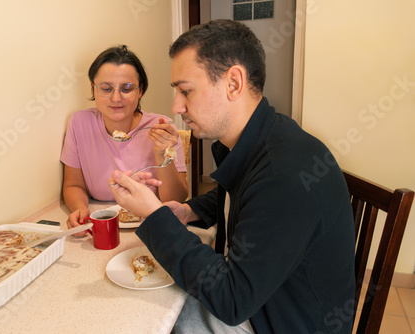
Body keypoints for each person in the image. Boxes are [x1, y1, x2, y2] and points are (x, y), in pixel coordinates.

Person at [108, 20, 356, 333]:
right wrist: (188, 210)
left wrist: (156, 216)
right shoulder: (260, 140)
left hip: (282, 320)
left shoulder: (285, 173)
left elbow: (231, 301)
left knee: (149, 323)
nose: (176, 106)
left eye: (185, 91)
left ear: (234, 83)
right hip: (263, 300)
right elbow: (245, 195)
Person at [61, 45, 188, 233]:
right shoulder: (79, 123)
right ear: (93, 89)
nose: (116, 98)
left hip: (153, 226)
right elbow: (73, 184)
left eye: (127, 88)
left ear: (140, 91)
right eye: (106, 88)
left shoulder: (161, 127)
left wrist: (163, 155)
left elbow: (177, 198)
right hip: (103, 225)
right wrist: (81, 209)